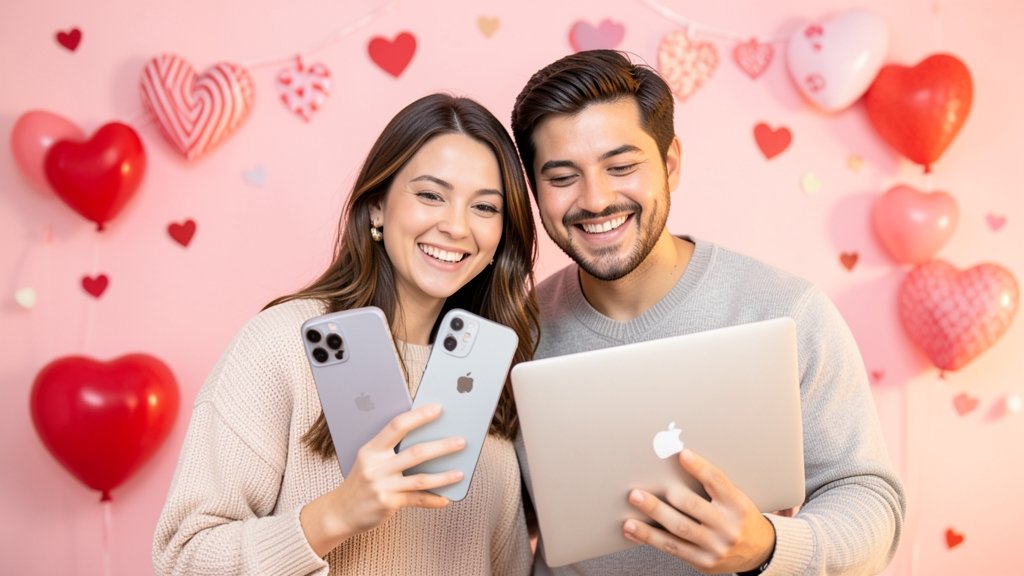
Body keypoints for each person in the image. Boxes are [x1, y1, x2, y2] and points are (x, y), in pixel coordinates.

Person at [509, 50, 906, 575]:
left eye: (622, 166)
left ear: (670, 164)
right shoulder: (518, 332)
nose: (596, 199)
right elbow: (507, 520)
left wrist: (766, 548)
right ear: (535, 191)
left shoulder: (785, 310)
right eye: (562, 177)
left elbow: (869, 497)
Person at [153, 93, 539, 576]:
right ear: (377, 206)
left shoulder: (492, 367)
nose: (456, 226)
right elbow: (182, 558)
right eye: (430, 195)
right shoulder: (283, 344)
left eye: (485, 207)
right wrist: (335, 515)